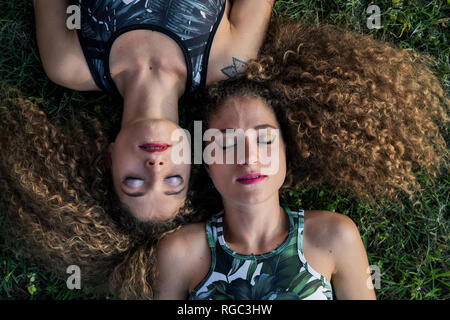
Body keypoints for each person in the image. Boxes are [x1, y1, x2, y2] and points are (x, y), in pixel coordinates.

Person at [155, 21, 448, 299]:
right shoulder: (178, 253)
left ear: (286, 147)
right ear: (206, 160)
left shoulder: (335, 238)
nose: (249, 159)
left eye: (264, 139)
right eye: (228, 143)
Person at [33, 0, 274, 221]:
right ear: (191, 160)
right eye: (173, 180)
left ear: (110, 159)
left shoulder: (68, 62)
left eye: (134, 182)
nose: (154, 168)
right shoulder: (229, 61)